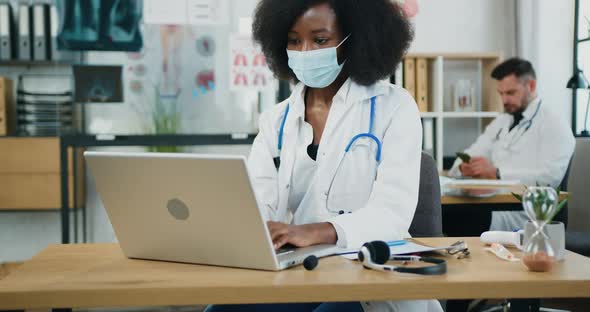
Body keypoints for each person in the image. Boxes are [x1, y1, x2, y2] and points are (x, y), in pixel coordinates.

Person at [205, 0, 442, 311]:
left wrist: (315, 231)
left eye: (320, 40)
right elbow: (259, 202)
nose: (305, 52)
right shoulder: (276, 120)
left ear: (353, 40)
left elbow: (392, 213)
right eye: (293, 40)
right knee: (221, 308)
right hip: (302, 269)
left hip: (368, 273)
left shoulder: (394, 107)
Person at [448, 58, 575, 231]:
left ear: (531, 86)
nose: (504, 100)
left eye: (510, 92)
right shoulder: (502, 121)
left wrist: (497, 173)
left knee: (453, 216)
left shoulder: (555, 124)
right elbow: (473, 152)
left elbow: (549, 178)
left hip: (526, 213)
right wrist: (463, 167)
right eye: (501, 93)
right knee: (444, 211)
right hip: (491, 202)